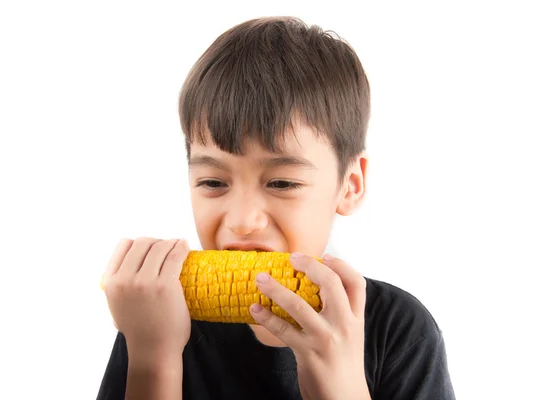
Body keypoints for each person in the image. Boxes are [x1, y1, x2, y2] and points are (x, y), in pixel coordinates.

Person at [96, 16, 455, 400]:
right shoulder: (154, 318)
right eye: (213, 183)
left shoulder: (398, 331)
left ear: (350, 185)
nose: (243, 221)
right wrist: (153, 357)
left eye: (282, 183)